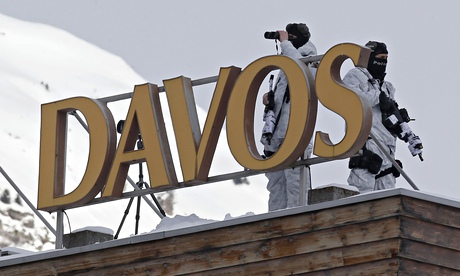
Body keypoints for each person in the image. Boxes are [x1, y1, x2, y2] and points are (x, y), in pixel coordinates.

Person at [343, 41, 423, 193]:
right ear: (370, 57)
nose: (384, 61)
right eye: (380, 57)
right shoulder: (356, 75)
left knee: (386, 194)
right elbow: (350, 100)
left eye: (386, 58)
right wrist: (378, 96)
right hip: (367, 139)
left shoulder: (387, 86)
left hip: (388, 145)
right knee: (362, 189)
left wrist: (407, 134)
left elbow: (390, 116)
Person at [261, 23, 316, 211]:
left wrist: (284, 43)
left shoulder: (310, 59)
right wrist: (271, 98)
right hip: (277, 134)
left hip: (295, 132)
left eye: (290, 38)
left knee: (296, 184)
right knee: (275, 185)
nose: (286, 41)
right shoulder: (286, 65)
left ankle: (298, 220)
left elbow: (301, 74)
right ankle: (275, 223)